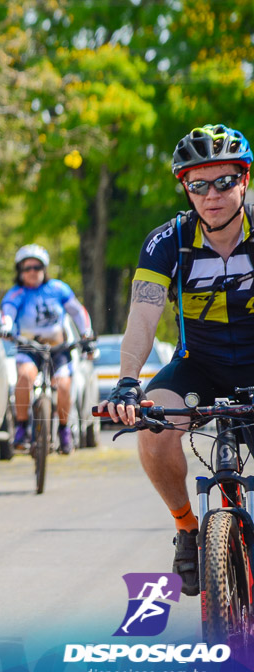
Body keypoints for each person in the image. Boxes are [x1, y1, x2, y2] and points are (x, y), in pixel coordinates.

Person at [99, 123, 254, 597]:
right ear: (184, 188)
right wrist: (127, 383)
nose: (212, 195)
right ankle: (187, 528)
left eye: (225, 181)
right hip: (198, 365)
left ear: (245, 179)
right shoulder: (167, 241)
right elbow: (143, 317)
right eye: (198, 183)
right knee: (153, 426)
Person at [0, 244, 94, 454]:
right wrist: (5, 325)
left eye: (37, 267)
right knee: (24, 377)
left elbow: (78, 312)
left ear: (44, 268)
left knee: (64, 385)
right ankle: (22, 427)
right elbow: (8, 311)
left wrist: (87, 333)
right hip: (29, 347)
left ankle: (63, 430)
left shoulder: (58, 289)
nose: (32, 272)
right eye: (27, 268)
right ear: (20, 271)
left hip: (58, 348)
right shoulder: (17, 293)